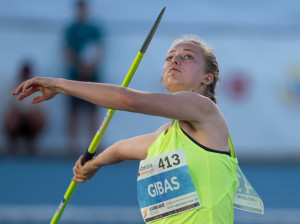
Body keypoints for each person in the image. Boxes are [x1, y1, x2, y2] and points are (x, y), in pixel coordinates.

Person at [12, 35, 238, 223]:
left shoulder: (205, 110)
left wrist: (60, 84)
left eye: (187, 56)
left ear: (207, 78)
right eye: (169, 57)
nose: (175, 60)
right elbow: (120, 149)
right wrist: (93, 164)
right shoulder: (164, 137)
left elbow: (127, 100)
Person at [64, 0, 105, 154]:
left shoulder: (94, 29)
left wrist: (90, 67)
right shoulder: (71, 29)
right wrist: (79, 67)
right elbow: (67, 51)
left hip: (92, 76)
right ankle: (71, 145)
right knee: (73, 112)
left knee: (93, 111)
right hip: (74, 76)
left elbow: (100, 50)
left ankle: (94, 145)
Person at [5, 62, 46, 156]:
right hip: (17, 117)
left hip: (30, 118)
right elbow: (9, 105)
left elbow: (40, 107)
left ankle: (31, 142)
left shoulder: (37, 88)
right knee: (13, 118)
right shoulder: (12, 86)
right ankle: (12, 144)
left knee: (38, 118)